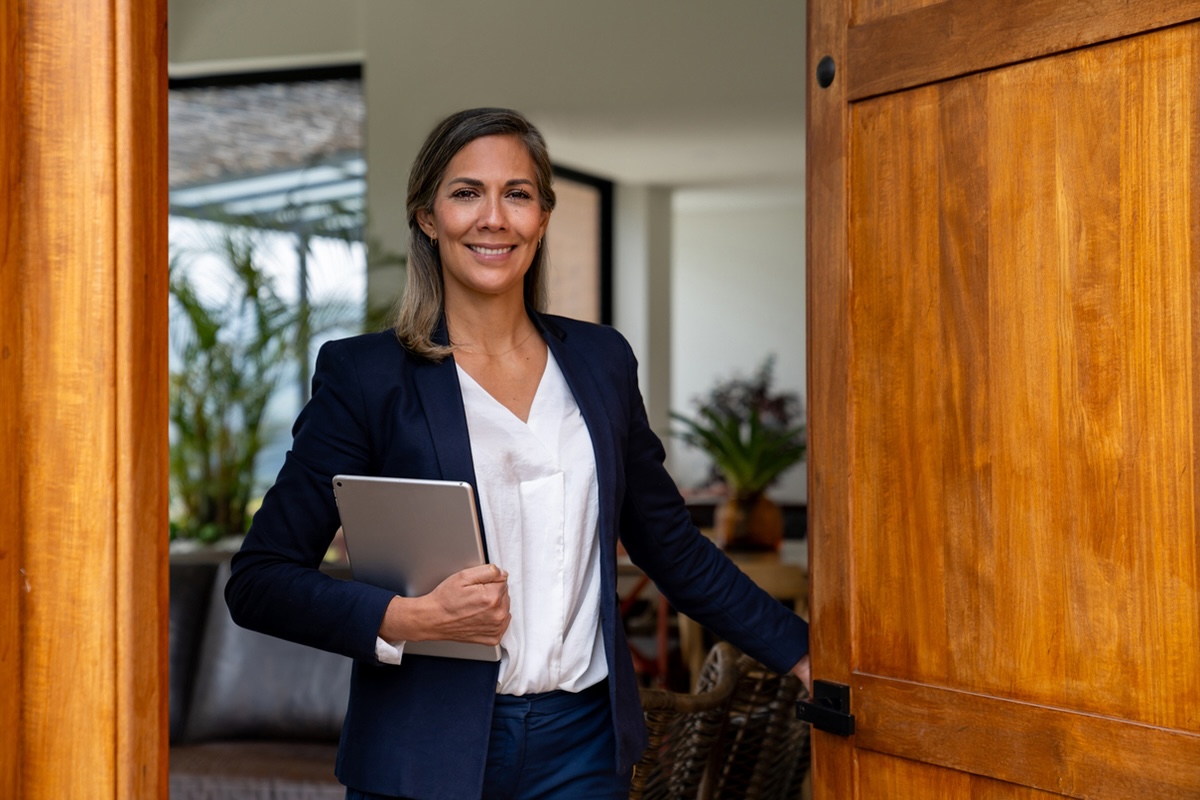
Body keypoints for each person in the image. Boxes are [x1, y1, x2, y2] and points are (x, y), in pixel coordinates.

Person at [225, 107, 810, 800]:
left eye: (519, 194)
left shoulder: (601, 362)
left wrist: (801, 651)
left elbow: (671, 547)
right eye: (467, 192)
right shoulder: (369, 377)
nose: (494, 217)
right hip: (425, 752)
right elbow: (259, 580)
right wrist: (406, 619)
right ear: (426, 216)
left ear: (542, 216)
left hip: (583, 747)